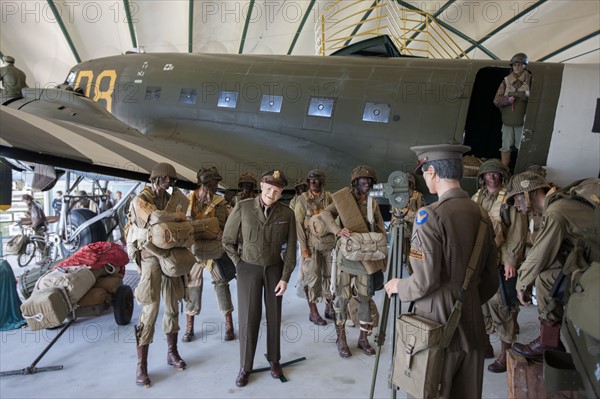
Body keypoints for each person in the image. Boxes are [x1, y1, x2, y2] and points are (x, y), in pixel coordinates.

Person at [384, 144, 498, 398]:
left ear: (432, 171)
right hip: (473, 325)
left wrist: (398, 286)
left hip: (435, 330)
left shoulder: (429, 216)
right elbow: (491, 279)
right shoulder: (482, 215)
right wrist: (466, 300)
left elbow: (424, 281)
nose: (425, 178)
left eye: (425, 172)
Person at [509, 174, 599, 359]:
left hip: (595, 263)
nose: (517, 205)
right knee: (547, 277)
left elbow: (541, 253)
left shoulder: (556, 211)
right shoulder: (560, 202)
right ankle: (549, 341)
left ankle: (549, 343)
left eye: (518, 198)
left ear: (529, 194)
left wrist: (521, 283)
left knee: (546, 280)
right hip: (592, 258)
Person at [222, 170, 297, 387]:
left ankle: (274, 360)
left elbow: (291, 247)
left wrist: (285, 277)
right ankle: (245, 366)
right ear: (262, 187)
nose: (272, 194)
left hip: (274, 270)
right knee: (248, 318)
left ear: (281, 192)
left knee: (274, 317)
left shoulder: (286, 214)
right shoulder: (243, 208)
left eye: (277, 191)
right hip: (249, 269)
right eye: (269, 189)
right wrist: (239, 263)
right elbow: (227, 240)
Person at [128, 162, 187, 387]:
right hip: (150, 255)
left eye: (171, 181)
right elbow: (156, 219)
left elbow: (180, 219)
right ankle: (141, 367)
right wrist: (177, 218)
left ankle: (172, 353)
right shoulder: (140, 199)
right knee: (150, 309)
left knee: (172, 305)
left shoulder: (171, 198)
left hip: (169, 253)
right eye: (166, 180)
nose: (170, 183)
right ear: (156, 179)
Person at [319, 165, 386, 358]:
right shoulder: (343, 199)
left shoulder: (372, 202)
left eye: (370, 181)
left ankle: (363, 339)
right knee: (341, 299)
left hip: (366, 258)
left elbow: (380, 228)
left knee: (365, 298)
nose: (368, 184)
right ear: (354, 182)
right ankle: (341, 339)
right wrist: (336, 230)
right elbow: (325, 214)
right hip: (346, 258)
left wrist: (384, 258)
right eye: (363, 181)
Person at [471, 159, 528, 373]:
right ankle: (485, 344)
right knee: (480, 302)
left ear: (501, 176)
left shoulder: (509, 200)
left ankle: (506, 351)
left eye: (496, 174)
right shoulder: (476, 198)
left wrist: (510, 260)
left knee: (501, 304)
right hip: (479, 259)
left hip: (500, 259)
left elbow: (517, 232)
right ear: (482, 177)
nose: (492, 177)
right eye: (488, 174)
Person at [183, 166, 235, 342]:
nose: (215, 185)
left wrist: (223, 233)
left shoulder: (220, 204)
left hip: (213, 251)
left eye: (216, 182)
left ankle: (229, 324)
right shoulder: (186, 202)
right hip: (193, 251)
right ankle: (189, 326)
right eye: (212, 182)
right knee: (192, 286)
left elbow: (229, 225)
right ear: (203, 182)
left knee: (222, 284)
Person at [294, 169, 335, 325]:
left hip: (328, 243)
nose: (313, 183)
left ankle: (329, 307)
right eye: (310, 180)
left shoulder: (329, 198)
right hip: (310, 243)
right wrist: (303, 247)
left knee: (330, 276)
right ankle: (313, 312)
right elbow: (298, 225)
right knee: (312, 276)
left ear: (322, 182)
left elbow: (335, 218)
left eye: (316, 180)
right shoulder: (302, 200)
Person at [493, 53, 532, 169]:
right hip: (508, 122)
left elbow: (535, 99)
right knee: (505, 147)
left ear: (525, 66)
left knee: (522, 147)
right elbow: (496, 100)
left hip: (523, 122)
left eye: (520, 64)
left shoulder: (531, 80)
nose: (517, 67)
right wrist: (506, 100)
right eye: (515, 64)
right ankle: (505, 170)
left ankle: (521, 169)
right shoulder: (506, 81)